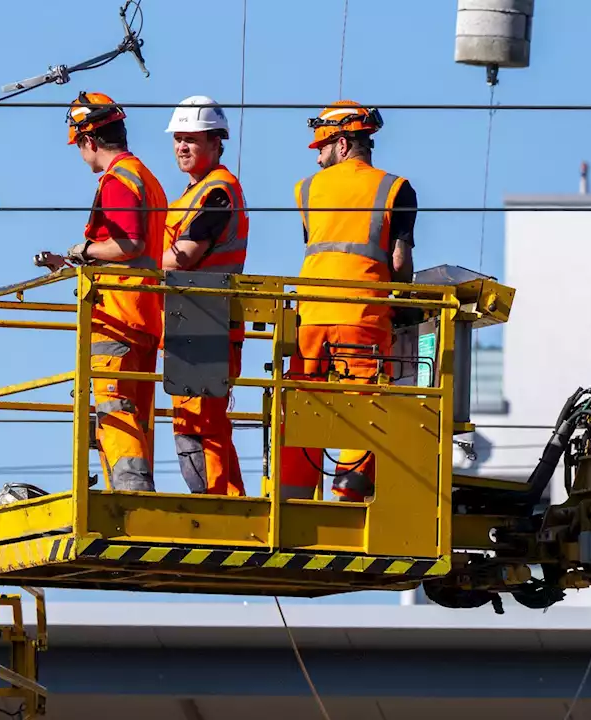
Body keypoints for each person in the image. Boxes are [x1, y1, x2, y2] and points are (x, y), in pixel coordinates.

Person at [280, 101, 417, 502]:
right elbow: (399, 262)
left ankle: (293, 499)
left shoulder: (305, 189)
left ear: (342, 144)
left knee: (305, 401)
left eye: (321, 146)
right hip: (363, 316)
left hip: (309, 317)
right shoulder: (395, 188)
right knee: (363, 404)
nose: (318, 156)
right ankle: (347, 497)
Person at [36, 90, 169, 492]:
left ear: (89, 141)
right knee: (136, 415)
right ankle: (130, 491)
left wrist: (83, 250)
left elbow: (127, 245)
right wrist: (75, 263)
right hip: (146, 314)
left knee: (114, 410)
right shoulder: (147, 178)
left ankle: (130, 499)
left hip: (117, 315)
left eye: (79, 145)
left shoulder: (117, 180)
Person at [161, 95, 250, 497]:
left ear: (217, 143)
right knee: (200, 422)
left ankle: (219, 506)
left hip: (206, 321)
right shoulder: (190, 195)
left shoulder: (218, 192)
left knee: (200, 425)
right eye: (178, 138)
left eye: (191, 139)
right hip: (191, 321)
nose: (182, 146)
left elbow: (185, 256)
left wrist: (138, 263)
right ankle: (228, 501)